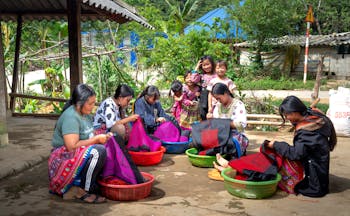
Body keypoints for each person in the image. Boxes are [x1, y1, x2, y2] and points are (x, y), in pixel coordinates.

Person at [49, 84, 112, 203]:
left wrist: (103, 137)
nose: (93, 107)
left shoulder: (85, 114)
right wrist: (96, 140)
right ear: (79, 103)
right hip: (64, 155)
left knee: (112, 140)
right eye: (90, 103)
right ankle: (82, 191)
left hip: (78, 150)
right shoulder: (71, 117)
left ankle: (92, 183)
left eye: (94, 103)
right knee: (98, 152)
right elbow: (71, 146)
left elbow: (90, 134)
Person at [266, 95, 337, 197]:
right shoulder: (313, 115)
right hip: (320, 161)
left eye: (287, 115)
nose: (286, 118)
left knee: (284, 163)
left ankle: (311, 183)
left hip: (316, 178)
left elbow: (296, 154)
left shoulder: (306, 131)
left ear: (294, 112)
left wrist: (277, 145)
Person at [207, 83, 249, 156]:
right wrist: (211, 119)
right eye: (216, 99)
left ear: (226, 93)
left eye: (219, 98)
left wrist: (224, 123)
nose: (218, 100)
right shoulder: (218, 105)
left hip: (236, 134)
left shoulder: (238, 104)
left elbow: (241, 125)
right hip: (222, 133)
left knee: (230, 143)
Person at [195, 55, 216, 120]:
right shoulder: (201, 76)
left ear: (212, 64)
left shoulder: (216, 76)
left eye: (208, 64)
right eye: (204, 65)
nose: (206, 67)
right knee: (203, 116)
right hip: (203, 100)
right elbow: (193, 79)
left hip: (214, 100)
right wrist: (197, 67)